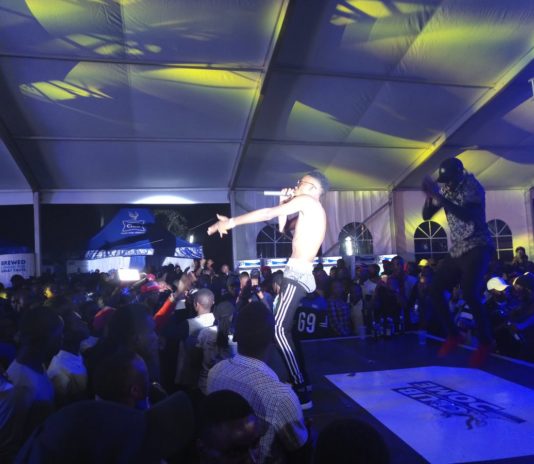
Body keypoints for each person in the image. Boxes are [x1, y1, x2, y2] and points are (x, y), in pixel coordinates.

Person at [208, 170, 328, 408]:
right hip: (296, 272)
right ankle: (302, 382)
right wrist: (284, 203)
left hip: (297, 273)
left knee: (280, 330)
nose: (296, 185)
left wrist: (231, 222)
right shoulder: (310, 208)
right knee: (285, 331)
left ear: (313, 188)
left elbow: (266, 214)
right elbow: (283, 230)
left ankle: (301, 389)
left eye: (301, 183)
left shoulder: (308, 201)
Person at [207, 302, 309, 463]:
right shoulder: (281, 396)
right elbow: (298, 450)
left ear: (236, 336)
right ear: (272, 340)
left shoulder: (215, 372)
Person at [422, 157, 494, 366]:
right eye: (445, 182)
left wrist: (439, 196)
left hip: (478, 244)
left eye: (450, 180)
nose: (448, 185)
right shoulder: (446, 188)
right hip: (459, 247)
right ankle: (454, 335)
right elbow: (427, 215)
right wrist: (429, 196)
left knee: (469, 291)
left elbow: (467, 215)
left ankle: (486, 342)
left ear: (459, 174)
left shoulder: (472, 186)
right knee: (435, 290)